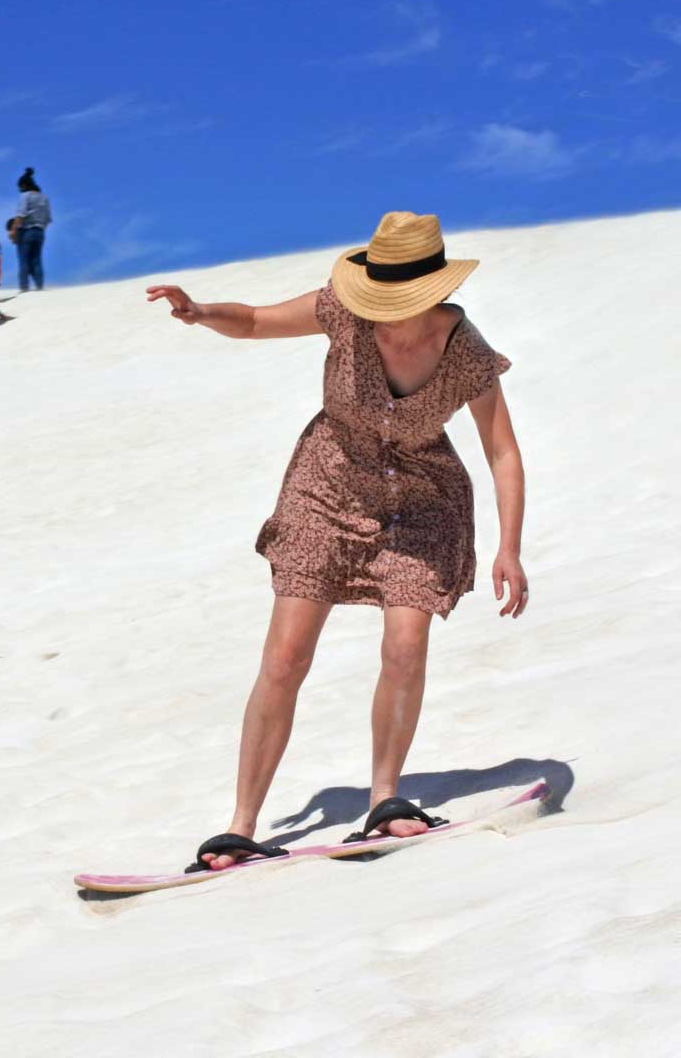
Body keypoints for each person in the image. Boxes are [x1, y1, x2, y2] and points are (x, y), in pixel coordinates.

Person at [146, 211, 529, 871]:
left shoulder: (464, 349)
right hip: (326, 489)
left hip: (420, 504)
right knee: (285, 656)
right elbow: (257, 321)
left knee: (404, 645)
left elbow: (503, 452)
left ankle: (386, 799)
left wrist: (510, 547)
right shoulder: (343, 310)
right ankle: (240, 826)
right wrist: (201, 312)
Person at [10, 166, 52, 291]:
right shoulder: (44, 198)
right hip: (40, 232)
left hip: (26, 231)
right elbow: (48, 218)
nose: (19, 190)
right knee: (37, 260)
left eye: (19, 187)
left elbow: (20, 215)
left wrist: (13, 231)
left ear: (23, 186)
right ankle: (39, 286)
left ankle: (24, 288)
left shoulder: (25, 196)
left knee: (24, 261)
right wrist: (41, 228)